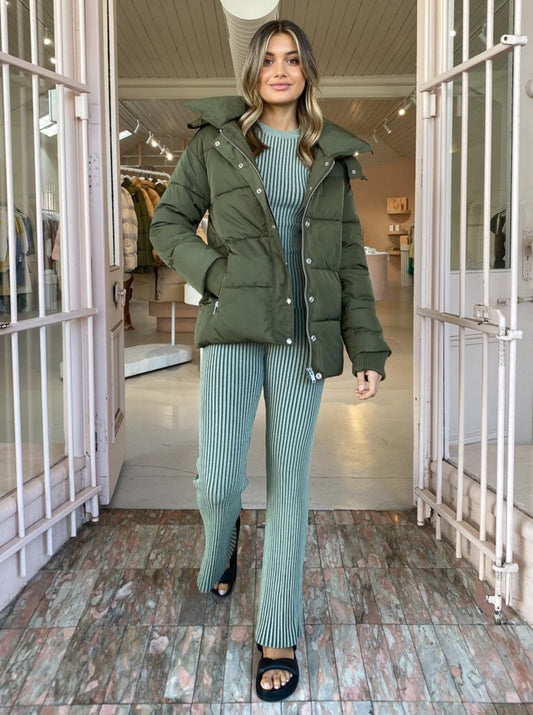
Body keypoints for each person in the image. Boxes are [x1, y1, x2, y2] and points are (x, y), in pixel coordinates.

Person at [150, 18, 390, 703]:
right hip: (232, 330)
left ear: (306, 71)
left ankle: (278, 630)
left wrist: (366, 348)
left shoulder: (330, 157)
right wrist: (215, 275)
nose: (279, 71)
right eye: (267, 60)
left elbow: (348, 262)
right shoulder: (217, 142)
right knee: (219, 477)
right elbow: (167, 223)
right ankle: (222, 538)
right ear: (252, 71)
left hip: (302, 338)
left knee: (290, 486)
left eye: (291, 59)